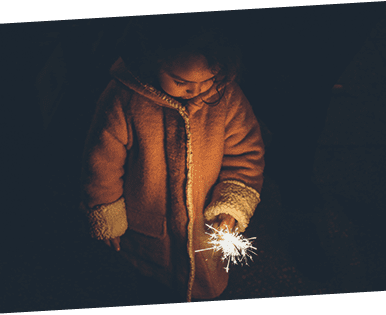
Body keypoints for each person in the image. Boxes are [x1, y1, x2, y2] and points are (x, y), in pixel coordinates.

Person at [79, 13, 265, 304]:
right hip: (150, 233)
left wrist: (231, 205)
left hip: (205, 233)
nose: (197, 91)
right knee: (152, 291)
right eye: (181, 81)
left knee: (206, 290)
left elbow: (245, 155)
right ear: (154, 60)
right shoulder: (123, 99)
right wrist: (106, 213)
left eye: (208, 80)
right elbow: (101, 163)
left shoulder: (227, 98)